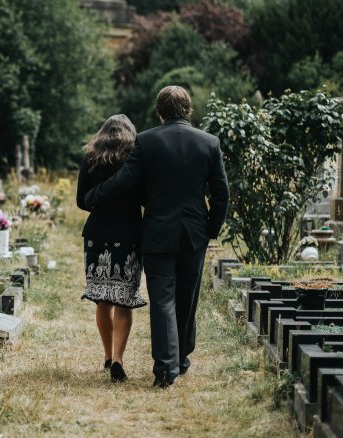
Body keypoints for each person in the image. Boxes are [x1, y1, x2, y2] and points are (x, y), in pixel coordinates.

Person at [84, 86, 229, 388]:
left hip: (158, 232)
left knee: (162, 299)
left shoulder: (147, 141)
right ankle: (182, 358)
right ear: (187, 109)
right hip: (194, 233)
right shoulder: (209, 143)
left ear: (160, 111)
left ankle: (165, 369)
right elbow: (221, 194)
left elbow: (125, 179)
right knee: (187, 297)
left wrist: (95, 195)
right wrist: (210, 229)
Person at [77, 114, 147, 383]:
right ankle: (119, 358)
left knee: (102, 299)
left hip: (97, 233)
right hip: (128, 233)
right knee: (124, 299)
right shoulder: (136, 157)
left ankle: (107, 356)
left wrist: (100, 203)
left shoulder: (92, 156)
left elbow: (81, 200)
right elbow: (144, 197)